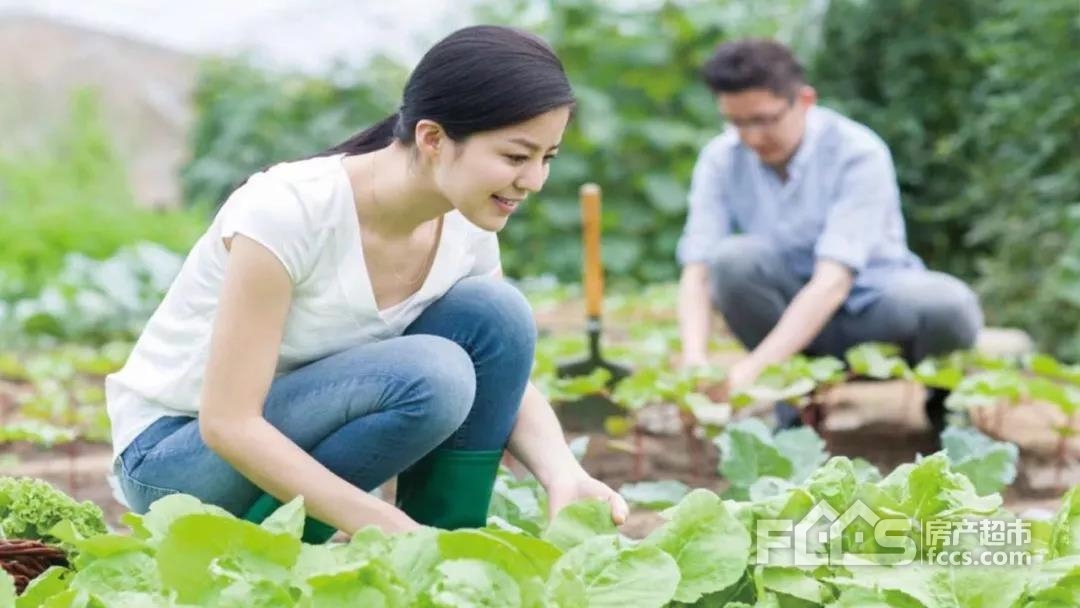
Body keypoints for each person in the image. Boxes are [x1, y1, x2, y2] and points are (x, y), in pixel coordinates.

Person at [105, 25, 628, 543]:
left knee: (498, 314)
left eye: (547, 158)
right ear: (432, 138)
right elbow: (227, 424)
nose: (534, 181)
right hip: (177, 461)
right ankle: (269, 541)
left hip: (290, 432)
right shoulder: (288, 211)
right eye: (516, 157)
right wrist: (381, 523)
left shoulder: (465, 221)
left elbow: (503, 367)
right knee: (433, 377)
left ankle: (450, 543)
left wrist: (564, 473)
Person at [675, 39, 983, 435]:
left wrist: (748, 372)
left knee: (949, 305)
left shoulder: (857, 152)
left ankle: (944, 402)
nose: (752, 137)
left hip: (874, 311)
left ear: (804, 100)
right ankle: (795, 401)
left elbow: (833, 282)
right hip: (789, 313)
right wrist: (695, 359)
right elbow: (697, 268)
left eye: (765, 120)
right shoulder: (720, 158)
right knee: (732, 261)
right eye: (738, 123)